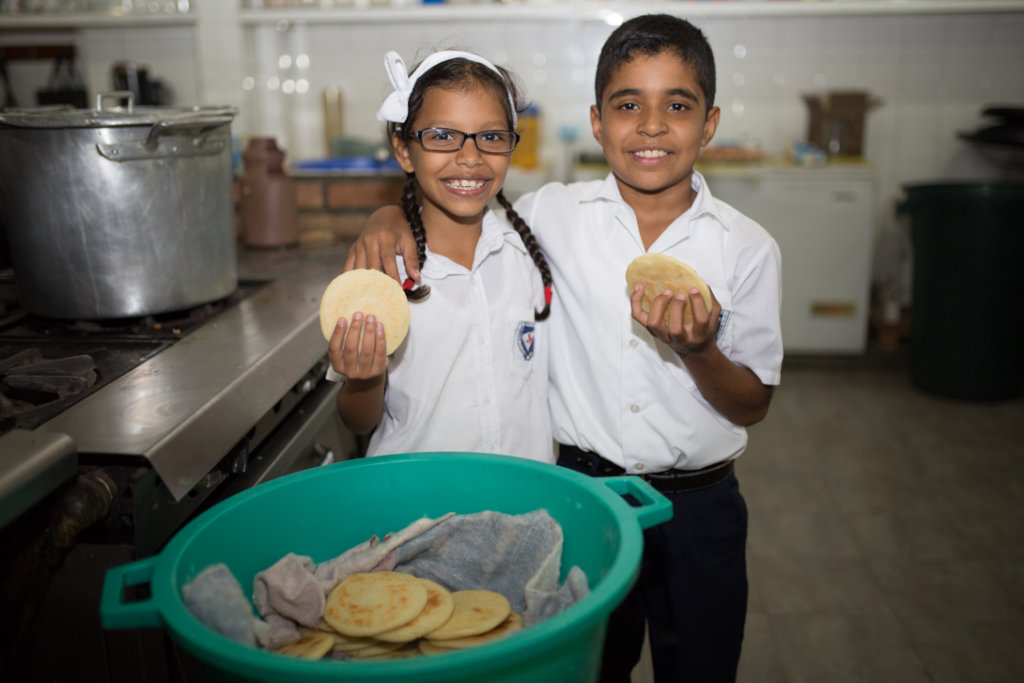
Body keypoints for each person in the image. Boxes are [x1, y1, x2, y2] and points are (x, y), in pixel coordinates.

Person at [346, 14, 782, 683]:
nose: (653, 126)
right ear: (598, 121)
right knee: (583, 664)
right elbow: (449, 202)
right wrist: (385, 215)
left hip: (700, 509)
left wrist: (699, 349)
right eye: (629, 105)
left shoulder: (746, 247)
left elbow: (752, 403)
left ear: (710, 122)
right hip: (581, 495)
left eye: (678, 105)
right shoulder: (550, 218)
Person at [325, 48, 555, 463]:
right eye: (442, 136)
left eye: (491, 137)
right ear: (404, 150)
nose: (470, 157)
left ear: (510, 146)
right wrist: (364, 381)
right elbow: (358, 422)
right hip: (415, 505)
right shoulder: (380, 275)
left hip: (522, 499)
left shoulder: (529, 254)